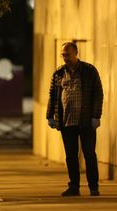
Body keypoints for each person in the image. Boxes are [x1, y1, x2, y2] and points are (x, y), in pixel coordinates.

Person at [47, 42, 103, 197]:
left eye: (68, 54)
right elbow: (52, 95)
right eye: (63, 55)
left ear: (76, 53)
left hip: (86, 121)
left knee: (89, 154)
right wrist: (50, 116)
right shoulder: (59, 73)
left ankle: (93, 187)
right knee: (71, 156)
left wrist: (96, 116)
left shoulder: (89, 71)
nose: (65, 58)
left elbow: (98, 94)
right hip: (67, 121)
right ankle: (74, 187)